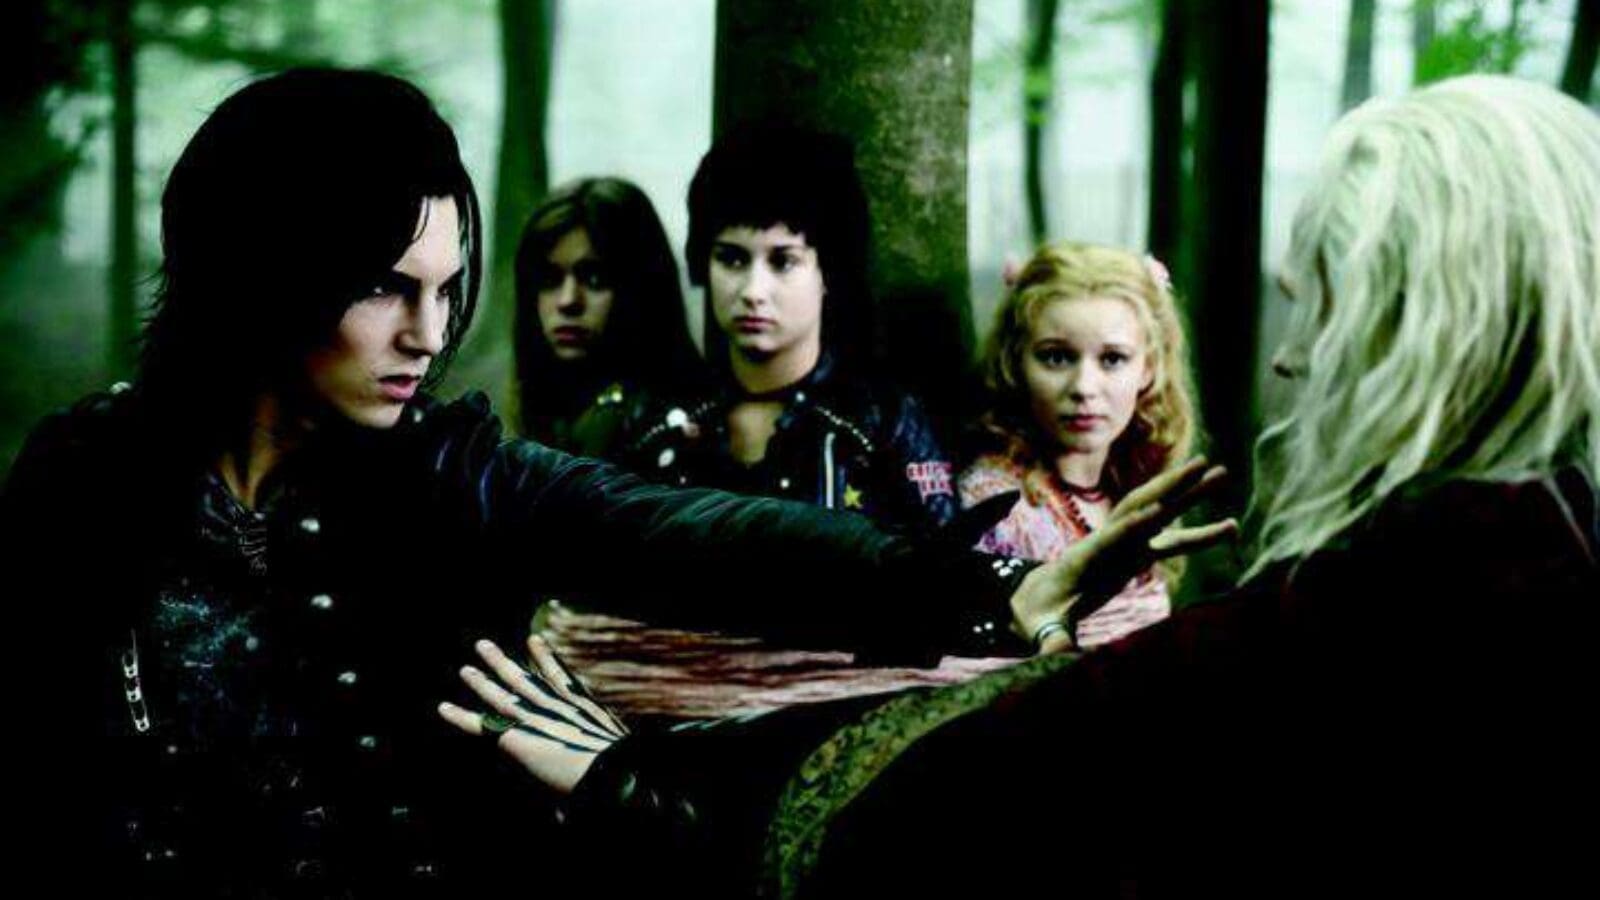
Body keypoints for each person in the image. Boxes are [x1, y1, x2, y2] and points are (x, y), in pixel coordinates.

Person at [0, 68, 1222, 896]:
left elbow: (681, 533)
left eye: (446, 290)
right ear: (266, 268)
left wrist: (977, 594)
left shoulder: (446, 473)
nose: (427, 333)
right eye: (386, 287)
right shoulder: (82, 475)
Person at [446, 74, 1598, 897]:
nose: (1288, 360)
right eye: (731, 257)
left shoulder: (1372, 618)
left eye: (1316, 309)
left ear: (1420, 326)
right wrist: (1010, 606)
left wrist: (641, 797)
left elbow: (944, 811)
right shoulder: (1499, 567)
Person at [541, 127, 1004, 719]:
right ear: (703, 264)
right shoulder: (651, 425)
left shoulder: (883, 425)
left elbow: (945, 585)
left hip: (847, 722)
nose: (753, 291)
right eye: (732, 258)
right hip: (660, 721)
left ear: (828, 271)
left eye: (783, 261)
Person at [960, 241, 1198, 647]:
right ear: (1016, 362)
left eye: (1112, 359)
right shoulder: (996, 506)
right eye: (1056, 357)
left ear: (1149, 368)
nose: (1084, 388)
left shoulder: (1132, 483)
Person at [511, 176, 703, 456]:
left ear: (641, 287)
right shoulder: (542, 421)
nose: (568, 301)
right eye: (549, 279)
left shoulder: (671, 427)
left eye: (595, 278)